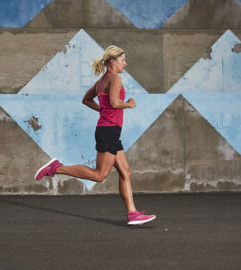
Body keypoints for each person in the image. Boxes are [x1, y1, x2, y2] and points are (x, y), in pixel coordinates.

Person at [35, 46, 156, 226]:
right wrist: (129, 105)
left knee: (125, 171)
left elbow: (87, 100)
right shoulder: (115, 78)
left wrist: (104, 110)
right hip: (108, 131)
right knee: (99, 175)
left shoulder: (101, 81)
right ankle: (56, 168)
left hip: (110, 130)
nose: (126, 63)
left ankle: (133, 213)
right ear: (113, 61)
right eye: (123, 60)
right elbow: (115, 103)